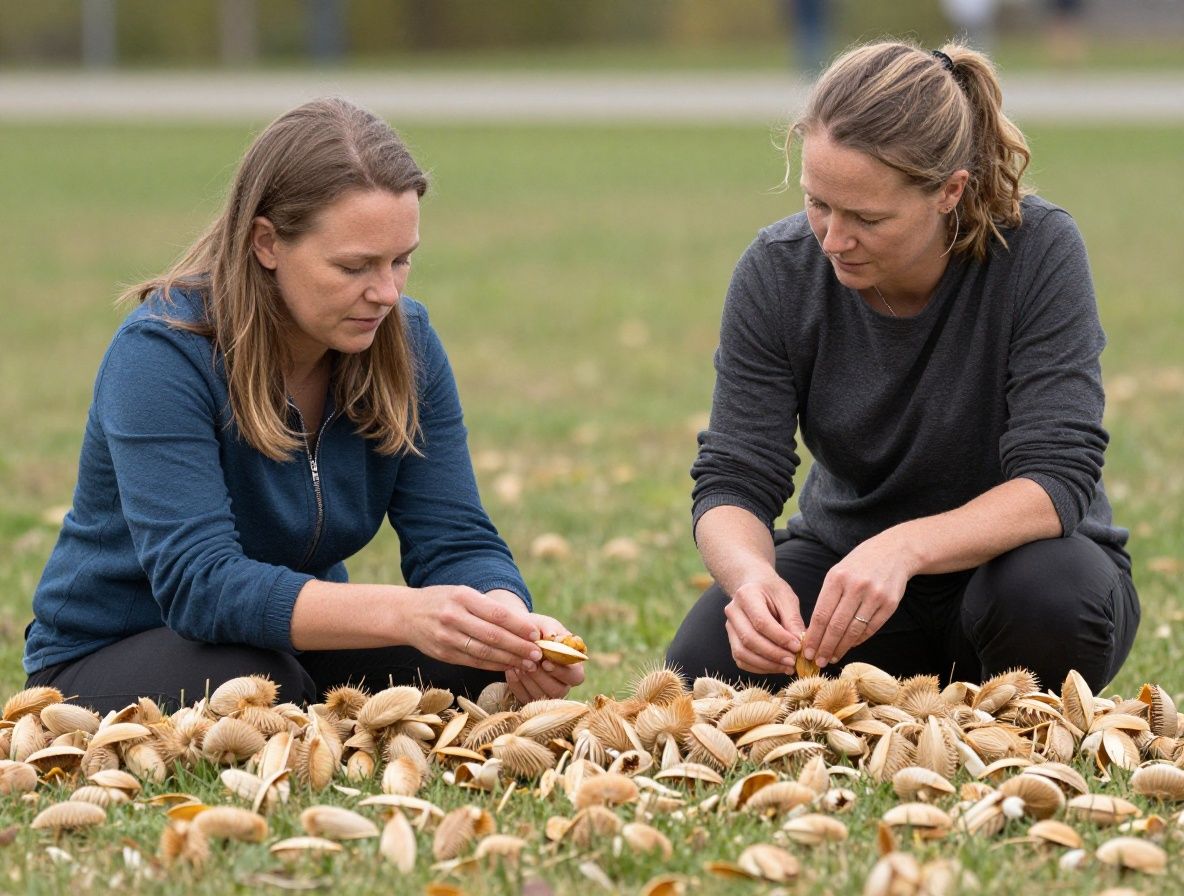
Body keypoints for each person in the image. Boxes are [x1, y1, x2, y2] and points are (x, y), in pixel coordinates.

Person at [22, 97, 584, 713]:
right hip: (111, 649)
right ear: (266, 242)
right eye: (354, 266)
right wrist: (405, 612)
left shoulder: (407, 343)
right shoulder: (160, 354)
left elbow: (455, 540)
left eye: (401, 261)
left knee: (470, 668)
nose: (386, 293)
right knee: (263, 686)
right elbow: (200, 586)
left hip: (285, 643)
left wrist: (506, 626)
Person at [666, 41, 1138, 693]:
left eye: (867, 217)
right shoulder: (778, 270)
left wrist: (904, 547)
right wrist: (751, 578)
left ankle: (1000, 711)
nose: (834, 240)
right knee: (704, 667)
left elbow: (1056, 476)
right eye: (818, 204)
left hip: (1021, 571)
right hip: (847, 575)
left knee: (1049, 601)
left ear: (949, 192)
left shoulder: (1039, 250)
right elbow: (734, 474)